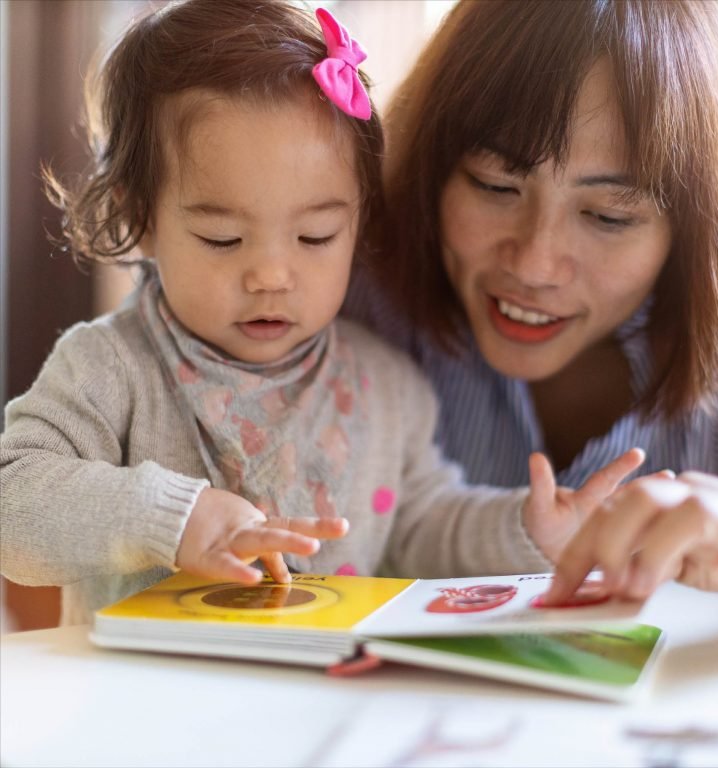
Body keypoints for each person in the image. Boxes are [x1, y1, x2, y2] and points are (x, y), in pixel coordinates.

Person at [0, 0, 643, 626]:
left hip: (325, 707)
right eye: (223, 239)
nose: (272, 276)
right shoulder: (109, 369)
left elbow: (422, 527)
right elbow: (14, 501)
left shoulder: (387, 389)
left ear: (358, 222)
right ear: (141, 219)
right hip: (146, 707)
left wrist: (526, 528)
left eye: (316, 238)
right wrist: (174, 517)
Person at [344, 0, 718, 602]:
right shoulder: (346, 295)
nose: (534, 264)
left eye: (608, 217)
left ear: (697, 230)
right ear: (435, 169)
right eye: (495, 185)